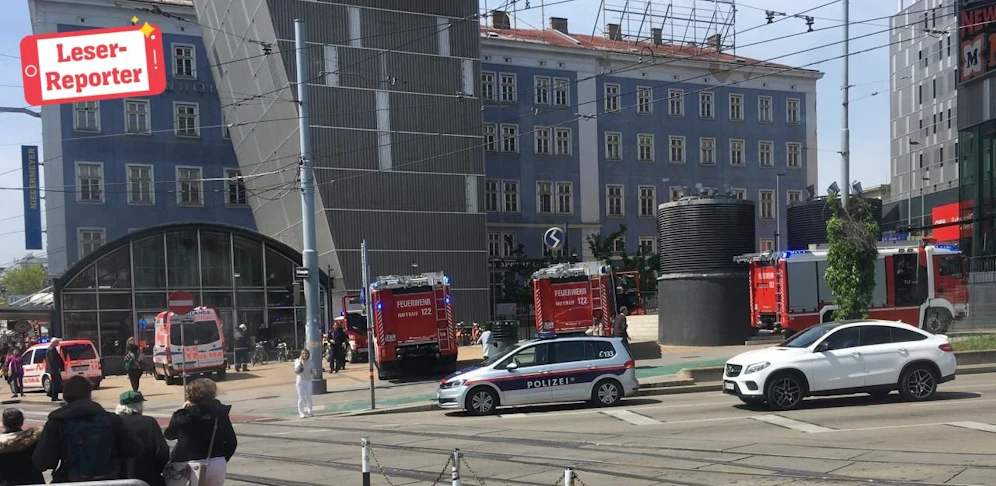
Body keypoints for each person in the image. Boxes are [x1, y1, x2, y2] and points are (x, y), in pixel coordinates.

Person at [32, 376, 142, 482]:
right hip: (107, 481)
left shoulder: (57, 423)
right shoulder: (110, 419)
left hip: (71, 480)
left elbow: (42, 461)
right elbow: (135, 448)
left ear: (65, 395)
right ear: (89, 394)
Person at [164, 379, 237, 486]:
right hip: (215, 463)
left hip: (187, 465)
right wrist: (220, 460)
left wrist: (183, 410)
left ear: (190, 396)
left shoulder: (184, 415)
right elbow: (231, 442)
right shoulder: (220, 413)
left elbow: (169, 435)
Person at [116, 391, 169, 486]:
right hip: (147, 477)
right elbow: (162, 451)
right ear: (139, 405)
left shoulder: (113, 422)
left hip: (119, 479)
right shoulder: (149, 422)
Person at [0, 408, 44, 486]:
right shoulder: (34, 439)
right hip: (33, 481)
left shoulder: (2, 443)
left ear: (4, 423)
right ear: (22, 422)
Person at [294, 349, 315, 418]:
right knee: (301, 397)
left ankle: (310, 410)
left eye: (306, 353)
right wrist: (300, 362)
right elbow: (296, 370)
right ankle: (301, 412)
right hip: (300, 381)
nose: (304, 355)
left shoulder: (310, 362)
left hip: (308, 380)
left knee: (308, 397)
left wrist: (313, 372)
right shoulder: (298, 361)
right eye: (303, 353)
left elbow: (311, 370)